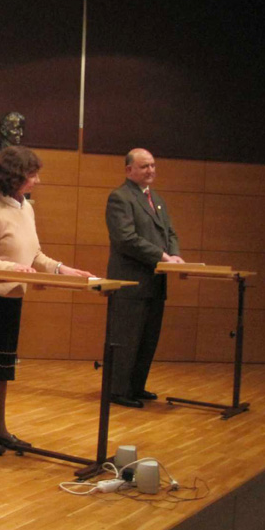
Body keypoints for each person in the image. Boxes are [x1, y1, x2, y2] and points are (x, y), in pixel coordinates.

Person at [0, 145, 93, 456]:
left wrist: (62, 269)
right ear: (13, 177)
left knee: (1, 368)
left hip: (10, 296)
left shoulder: (24, 206)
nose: (37, 181)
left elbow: (34, 254)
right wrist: (13, 268)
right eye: (32, 175)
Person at [105, 148, 184, 409]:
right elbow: (126, 239)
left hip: (155, 281)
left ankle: (136, 386)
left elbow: (170, 232)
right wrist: (162, 256)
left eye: (152, 165)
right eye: (144, 166)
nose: (150, 170)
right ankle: (117, 390)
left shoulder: (156, 199)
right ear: (129, 170)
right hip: (130, 282)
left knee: (148, 338)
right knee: (127, 338)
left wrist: (174, 255)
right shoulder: (120, 198)